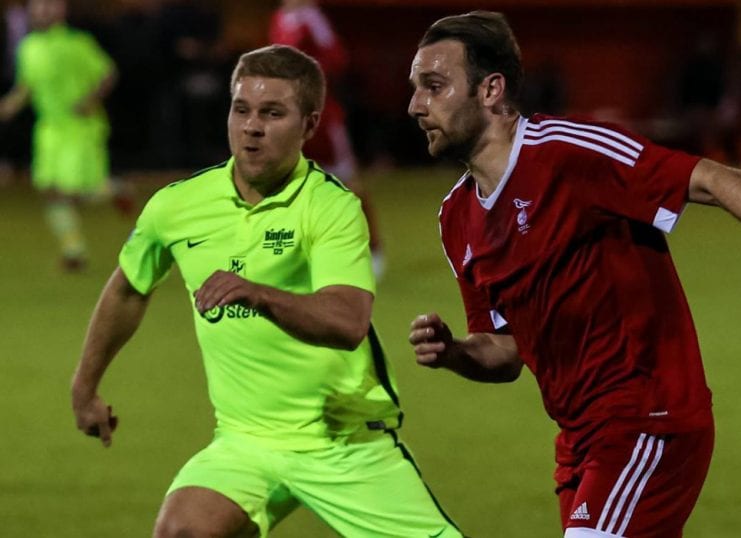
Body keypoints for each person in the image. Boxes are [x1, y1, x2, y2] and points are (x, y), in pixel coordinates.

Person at [71, 44, 462, 538]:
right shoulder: (177, 206)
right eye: (242, 110)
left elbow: (347, 323)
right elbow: (128, 289)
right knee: (182, 532)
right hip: (245, 443)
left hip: (345, 443)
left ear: (309, 124)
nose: (252, 126)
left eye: (272, 113)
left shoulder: (331, 207)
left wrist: (259, 294)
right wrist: (85, 388)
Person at [407, 11, 741, 538]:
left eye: (434, 86)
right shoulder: (456, 219)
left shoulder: (567, 152)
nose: (415, 105)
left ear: (491, 90)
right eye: (416, 88)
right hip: (580, 442)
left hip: (650, 419)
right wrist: (456, 352)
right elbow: (506, 352)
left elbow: (709, 178)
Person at [269, 0, 385, 278]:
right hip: (288, 118)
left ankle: (373, 248)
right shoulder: (279, 19)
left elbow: (337, 58)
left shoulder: (312, 18)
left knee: (348, 184)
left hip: (320, 117)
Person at [0, 0, 118, 271]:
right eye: (38, 7)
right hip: (49, 130)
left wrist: (89, 100)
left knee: (76, 192)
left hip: (80, 128)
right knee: (51, 191)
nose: (42, 12)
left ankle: (117, 190)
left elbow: (108, 73)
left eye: (49, 7)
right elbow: (26, 87)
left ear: (61, 11)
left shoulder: (78, 43)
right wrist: (7, 107)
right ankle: (73, 251)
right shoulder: (28, 47)